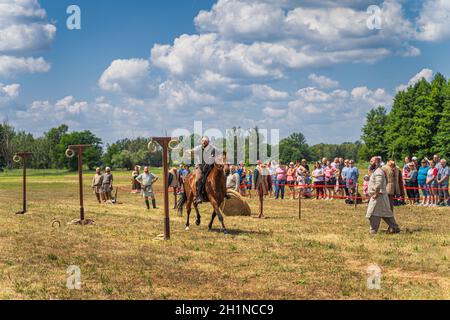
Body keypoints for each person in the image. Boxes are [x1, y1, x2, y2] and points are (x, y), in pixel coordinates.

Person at [366, 156, 400, 234]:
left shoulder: (378, 172)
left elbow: (378, 184)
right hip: (380, 196)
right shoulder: (376, 171)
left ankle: (373, 230)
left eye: (372, 161)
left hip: (378, 196)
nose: (370, 163)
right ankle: (395, 227)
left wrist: (376, 193)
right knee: (386, 213)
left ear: (377, 162)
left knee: (373, 213)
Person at [185, 136, 217, 204]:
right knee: (199, 178)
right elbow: (191, 151)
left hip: (209, 166)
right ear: (201, 142)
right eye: (203, 142)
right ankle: (198, 196)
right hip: (200, 166)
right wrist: (187, 151)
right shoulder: (198, 148)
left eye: (206, 142)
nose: (204, 143)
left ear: (208, 142)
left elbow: (218, 151)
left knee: (219, 174)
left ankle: (223, 192)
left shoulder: (212, 148)